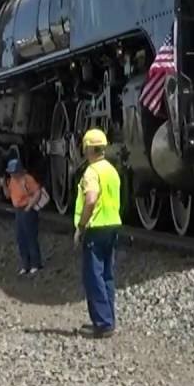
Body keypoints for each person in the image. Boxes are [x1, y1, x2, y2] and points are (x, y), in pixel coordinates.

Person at [73, 128, 121, 338]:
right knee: (107, 276)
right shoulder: (112, 170)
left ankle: (102, 324)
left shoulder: (91, 172)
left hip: (95, 228)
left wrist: (81, 226)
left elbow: (91, 199)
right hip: (112, 226)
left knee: (94, 276)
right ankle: (108, 319)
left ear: (87, 149)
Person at [1, 158, 44, 275]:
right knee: (21, 238)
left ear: (19, 171)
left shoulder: (27, 179)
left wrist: (29, 206)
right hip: (18, 210)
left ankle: (35, 264)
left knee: (30, 237)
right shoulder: (12, 180)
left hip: (27, 209)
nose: (11, 174)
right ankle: (25, 264)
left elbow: (38, 192)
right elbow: (8, 195)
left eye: (13, 172)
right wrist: (3, 185)